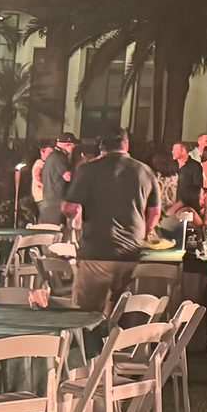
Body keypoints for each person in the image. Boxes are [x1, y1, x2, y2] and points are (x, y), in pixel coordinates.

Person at [61, 131, 160, 312]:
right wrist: (143, 234)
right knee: (123, 311)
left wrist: (78, 219)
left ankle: (91, 340)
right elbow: (154, 213)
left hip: (96, 252)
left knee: (85, 315)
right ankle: (118, 338)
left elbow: (70, 208)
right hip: (131, 253)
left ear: (101, 147)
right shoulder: (145, 171)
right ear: (126, 145)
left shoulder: (87, 169)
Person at [37, 132, 78, 226]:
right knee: (56, 234)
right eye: (74, 145)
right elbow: (68, 177)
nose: (74, 148)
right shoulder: (59, 157)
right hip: (57, 205)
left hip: (49, 202)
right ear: (68, 144)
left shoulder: (51, 157)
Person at [174, 141, 205, 220]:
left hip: (185, 207)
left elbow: (197, 187)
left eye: (175, 149)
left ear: (184, 151)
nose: (172, 151)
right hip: (171, 205)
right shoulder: (172, 165)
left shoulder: (195, 166)